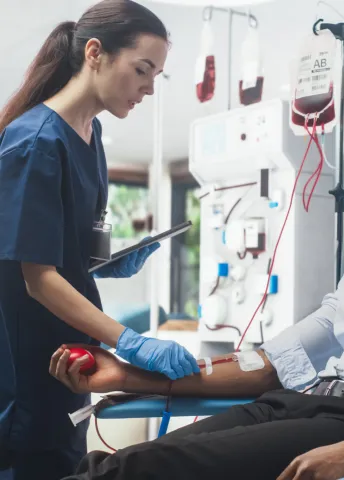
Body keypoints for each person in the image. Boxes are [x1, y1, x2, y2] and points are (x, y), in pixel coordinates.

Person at [53, 110, 344, 480]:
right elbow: (268, 365)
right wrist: (127, 375)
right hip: (297, 405)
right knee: (115, 467)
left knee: (125, 474)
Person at [0, 2, 200, 479]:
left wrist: (110, 260)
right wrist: (130, 341)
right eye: (142, 69)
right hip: (27, 365)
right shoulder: (35, 143)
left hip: (70, 359)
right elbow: (39, 279)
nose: (150, 87)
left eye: (157, 75)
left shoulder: (92, 136)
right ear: (95, 53)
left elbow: (87, 239)